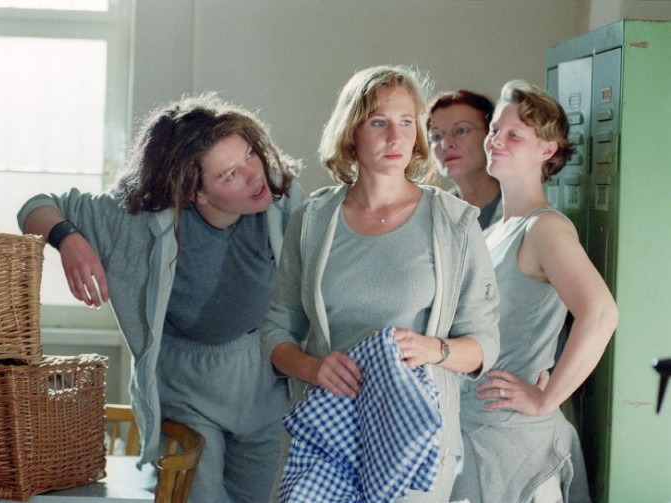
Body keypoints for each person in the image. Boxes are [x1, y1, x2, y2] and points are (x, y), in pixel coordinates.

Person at [17, 93, 303, 503]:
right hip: (187, 387)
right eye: (229, 175)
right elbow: (35, 207)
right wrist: (69, 240)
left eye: (250, 155)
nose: (254, 176)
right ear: (194, 192)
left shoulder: (281, 199)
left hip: (263, 384)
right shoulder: (137, 220)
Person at [261, 65, 500, 502]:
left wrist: (434, 349)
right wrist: (314, 368)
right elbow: (277, 330)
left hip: (414, 447)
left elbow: (484, 344)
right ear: (351, 132)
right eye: (378, 122)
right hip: (326, 441)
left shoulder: (454, 223)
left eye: (406, 122)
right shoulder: (313, 220)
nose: (395, 137)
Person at [451, 80, 619, 503]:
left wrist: (546, 399)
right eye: (495, 130)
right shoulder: (493, 230)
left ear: (547, 150)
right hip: (477, 434)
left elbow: (601, 313)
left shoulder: (545, 228)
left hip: (516, 444)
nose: (496, 141)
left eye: (514, 135)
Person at [426, 90, 502, 230]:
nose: (446, 144)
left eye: (461, 130)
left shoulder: (524, 211)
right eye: (436, 137)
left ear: (491, 137)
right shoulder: (429, 217)